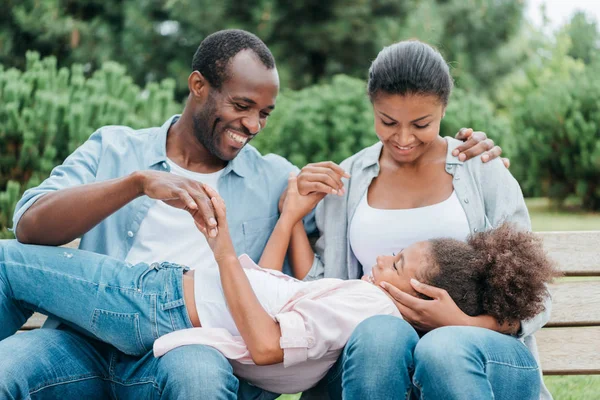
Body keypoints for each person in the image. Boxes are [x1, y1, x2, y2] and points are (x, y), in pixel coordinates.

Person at [0, 29, 502, 399]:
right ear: (198, 84)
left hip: (189, 343)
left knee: (200, 380)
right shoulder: (115, 148)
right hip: (82, 339)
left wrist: (466, 147)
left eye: (264, 113)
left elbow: (314, 280)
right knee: (9, 366)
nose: (253, 125)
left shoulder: (275, 178)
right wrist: (136, 184)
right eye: (243, 106)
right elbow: (29, 228)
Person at [0, 178, 556, 395]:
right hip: (169, 306)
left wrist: (218, 246)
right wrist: (290, 218)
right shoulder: (359, 299)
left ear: (416, 296)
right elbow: (270, 289)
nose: (382, 256)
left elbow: (266, 344)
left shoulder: (365, 306)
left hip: (159, 300)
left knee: (7, 263)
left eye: (398, 260)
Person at [293, 40, 553, 399]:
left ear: (444, 109)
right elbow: (320, 286)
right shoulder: (348, 179)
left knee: (442, 348)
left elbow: (535, 296)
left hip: (476, 354)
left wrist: (461, 323)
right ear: (372, 107)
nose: (402, 138)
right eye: (387, 122)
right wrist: (293, 209)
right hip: (374, 362)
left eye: (421, 123)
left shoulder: (480, 169)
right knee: (379, 334)